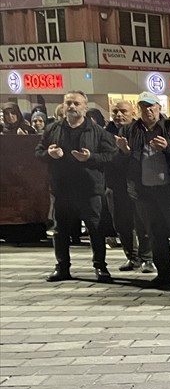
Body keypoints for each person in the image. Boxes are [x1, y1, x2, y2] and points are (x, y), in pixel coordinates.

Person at [117, 93, 170, 289]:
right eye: (143, 106)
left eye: (151, 106)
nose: (148, 110)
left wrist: (168, 147)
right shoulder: (130, 130)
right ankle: (164, 274)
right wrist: (124, 152)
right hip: (146, 193)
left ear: (158, 107)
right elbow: (122, 164)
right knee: (155, 235)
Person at [35, 91, 117, 283]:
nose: (71, 107)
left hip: (89, 189)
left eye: (76, 104)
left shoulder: (98, 132)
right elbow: (38, 152)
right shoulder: (52, 129)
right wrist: (49, 154)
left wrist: (91, 158)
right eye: (68, 103)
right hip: (62, 189)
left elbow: (112, 156)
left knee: (95, 229)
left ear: (85, 108)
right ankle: (62, 267)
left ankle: (100, 267)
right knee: (60, 230)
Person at [103, 101, 151, 273]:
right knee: (121, 223)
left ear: (132, 113)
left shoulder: (141, 131)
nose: (119, 115)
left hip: (138, 184)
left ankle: (147, 258)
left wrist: (127, 152)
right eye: (115, 111)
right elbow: (104, 158)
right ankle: (132, 257)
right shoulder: (105, 134)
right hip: (114, 184)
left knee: (142, 222)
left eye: (123, 111)